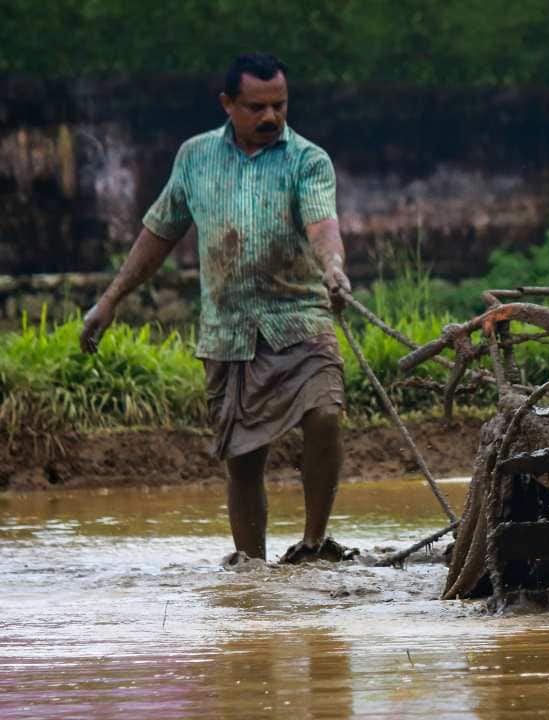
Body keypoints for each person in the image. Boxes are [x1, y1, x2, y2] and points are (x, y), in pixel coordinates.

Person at [79, 53, 354, 566]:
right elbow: (158, 231)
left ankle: (315, 543)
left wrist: (333, 267)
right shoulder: (195, 157)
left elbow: (322, 222)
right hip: (228, 333)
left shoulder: (307, 159)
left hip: (301, 320)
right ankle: (251, 568)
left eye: (280, 105)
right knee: (244, 462)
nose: (271, 117)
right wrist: (109, 300)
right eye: (257, 107)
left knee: (324, 415)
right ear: (228, 104)